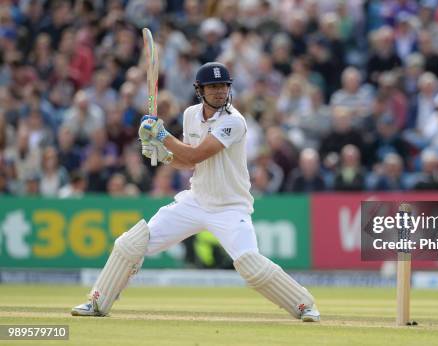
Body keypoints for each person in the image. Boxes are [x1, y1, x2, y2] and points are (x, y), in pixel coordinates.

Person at [71, 62, 320, 322]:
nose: (219, 91)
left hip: (230, 206)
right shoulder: (191, 115)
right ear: (199, 90)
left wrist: (162, 135)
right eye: (212, 86)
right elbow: (189, 162)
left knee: (250, 265)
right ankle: (97, 302)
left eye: (223, 85)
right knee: (131, 243)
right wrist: (163, 155)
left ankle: (304, 305)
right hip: (196, 200)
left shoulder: (234, 121)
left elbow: (197, 152)